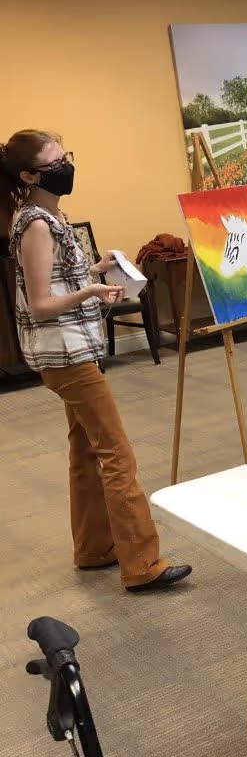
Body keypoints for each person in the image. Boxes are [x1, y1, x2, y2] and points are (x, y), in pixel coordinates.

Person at [0, 129, 190, 592]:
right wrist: (91, 290)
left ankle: (93, 547)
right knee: (116, 453)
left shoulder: (50, 216)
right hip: (65, 356)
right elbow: (42, 302)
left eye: (66, 156)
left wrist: (95, 272)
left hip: (72, 349)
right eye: (55, 161)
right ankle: (143, 563)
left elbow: (59, 281)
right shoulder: (37, 224)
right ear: (29, 175)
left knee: (86, 448)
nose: (66, 165)